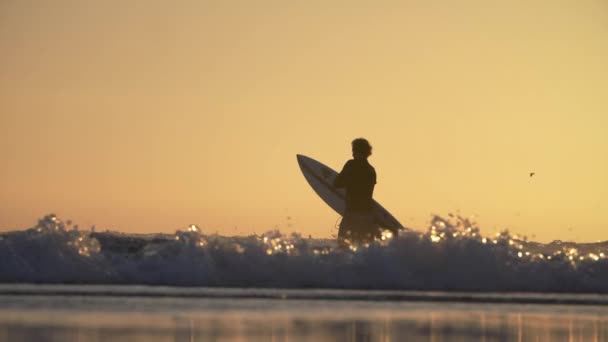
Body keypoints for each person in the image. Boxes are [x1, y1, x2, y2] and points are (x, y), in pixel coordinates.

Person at [333, 138, 379, 245]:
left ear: (358, 152)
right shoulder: (371, 170)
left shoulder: (351, 165)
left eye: (354, 151)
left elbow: (337, 183)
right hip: (368, 217)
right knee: (365, 250)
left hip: (352, 214)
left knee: (343, 248)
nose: (352, 154)